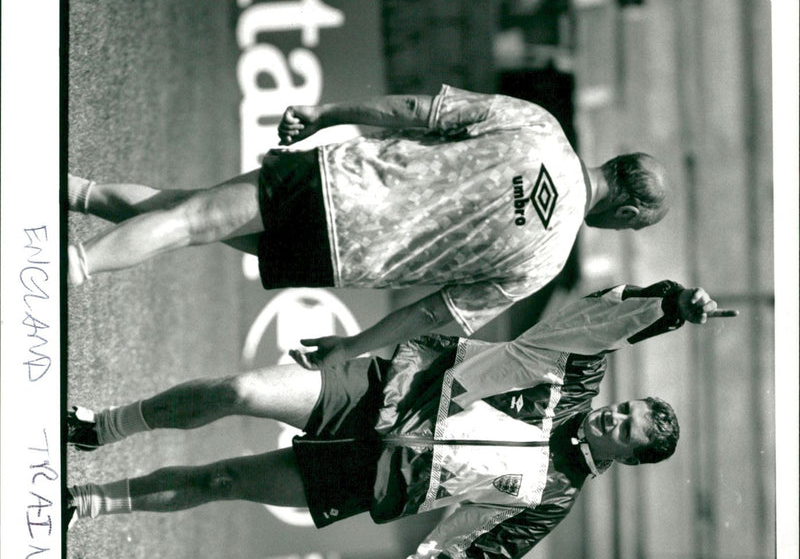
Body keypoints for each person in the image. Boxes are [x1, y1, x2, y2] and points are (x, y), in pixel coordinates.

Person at [66, 280, 736, 559]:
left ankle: (90, 503)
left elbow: (470, 558)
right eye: (627, 408)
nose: (614, 415)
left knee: (223, 479)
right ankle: (105, 426)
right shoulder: (574, 378)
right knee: (239, 390)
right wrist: (673, 305)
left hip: (378, 479)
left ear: (628, 455)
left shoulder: (550, 500)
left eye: (626, 427)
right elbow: (602, 321)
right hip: (383, 393)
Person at [67, 86, 670, 368]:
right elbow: (438, 314)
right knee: (188, 213)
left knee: (190, 219)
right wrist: (352, 347)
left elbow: (417, 112)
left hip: (336, 182)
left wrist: (329, 115)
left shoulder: (537, 125)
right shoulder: (547, 259)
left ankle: (72, 265)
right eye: (631, 230)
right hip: (344, 258)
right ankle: (74, 192)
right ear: (625, 215)